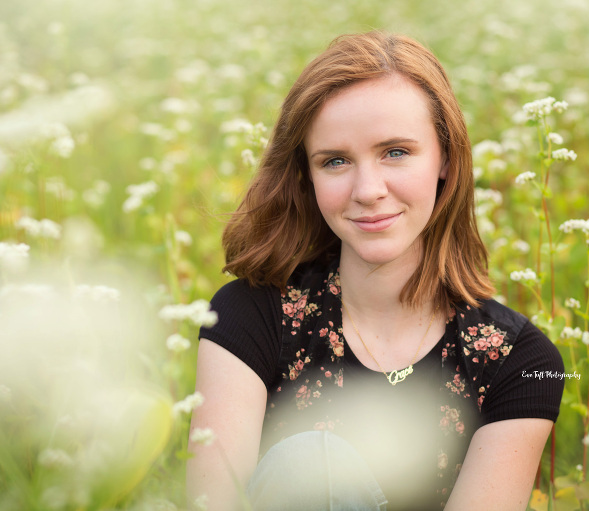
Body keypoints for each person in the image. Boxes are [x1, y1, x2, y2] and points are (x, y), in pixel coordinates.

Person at [187, 31, 564, 511]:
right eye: (336, 161)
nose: (368, 190)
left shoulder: (520, 362)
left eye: (396, 152)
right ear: (307, 175)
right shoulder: (249, 315)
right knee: (310, 462)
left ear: (446, 157)